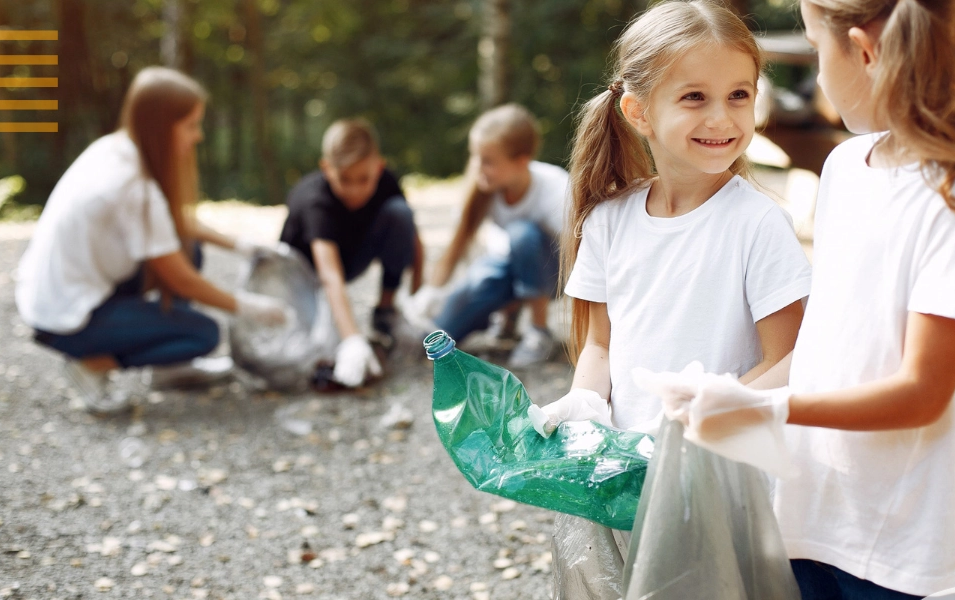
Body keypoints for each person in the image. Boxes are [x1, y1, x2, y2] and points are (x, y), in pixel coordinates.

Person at [644, 0, 955, 598]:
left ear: (867, 52)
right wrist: (732, 398)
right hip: (817, 515)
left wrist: (772, 412)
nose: (818, 76)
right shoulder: (848, 168)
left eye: (817, 50)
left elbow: (922, 394)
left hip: (915, 549)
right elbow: (831, 343)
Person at [535, 2, 812, 597]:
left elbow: (793, 359)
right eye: (695, 97)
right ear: (639, 112)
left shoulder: (758, 224)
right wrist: (585, 401)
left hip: (722, 478)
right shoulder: (608, 222)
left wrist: (702, 417)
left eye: (740, 94)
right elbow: (600, 345)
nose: (724, 116)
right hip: (628, 479)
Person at [16, 67, 289, 414]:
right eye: (191, 125)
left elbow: (173, 226)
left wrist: (239, 244)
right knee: (202, 335)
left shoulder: (114, 148)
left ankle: (170, 370)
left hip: (57, 293)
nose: (199, 136)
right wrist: (250, 307)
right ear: (162, 126)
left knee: (189, 250)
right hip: (68, 317)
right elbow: (180, 279)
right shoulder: (132, 187)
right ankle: (91, 364)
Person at [409, 104, 569, 368]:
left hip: (555, 273)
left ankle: (539, 331)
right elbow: (458, 244)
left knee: (521, 234)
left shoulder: (554, 189)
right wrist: (431, 293)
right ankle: (507, 316)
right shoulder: (484, 188)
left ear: (521, 161)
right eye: (475, 157)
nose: (477, 167)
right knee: (443, 328)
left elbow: (585, 252)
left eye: (488, 161)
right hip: (513, 267)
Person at [278, 119, 422, 387]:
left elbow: (413, 238)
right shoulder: (315, 200)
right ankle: (348, 340)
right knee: (316, 348)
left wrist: (418, 295)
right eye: (344, 180)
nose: (354, 191)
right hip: (305, 272)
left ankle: (386, 313)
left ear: (378, 167)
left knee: (400, 214)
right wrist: (352, 338)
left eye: (363, 180)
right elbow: (330, 276)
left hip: (351, 258)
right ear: (326, 169)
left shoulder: (386, 181)